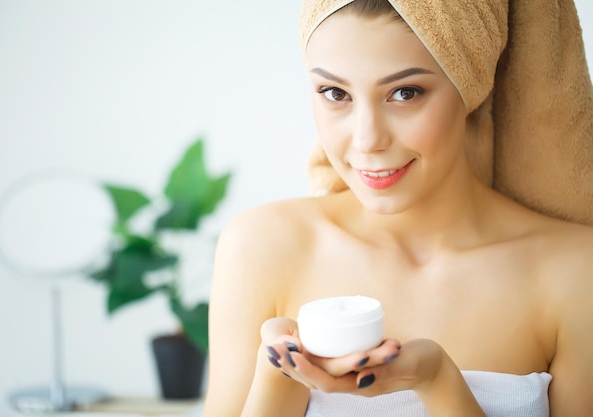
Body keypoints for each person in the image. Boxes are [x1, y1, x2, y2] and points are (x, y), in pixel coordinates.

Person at [202, 0, 593, 416]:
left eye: (405, 93)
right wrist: (281, 372)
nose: (368, 139)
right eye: (335, 93)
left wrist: (436, 380)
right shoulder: (262, 245)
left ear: (471, 84)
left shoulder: (575, 273)